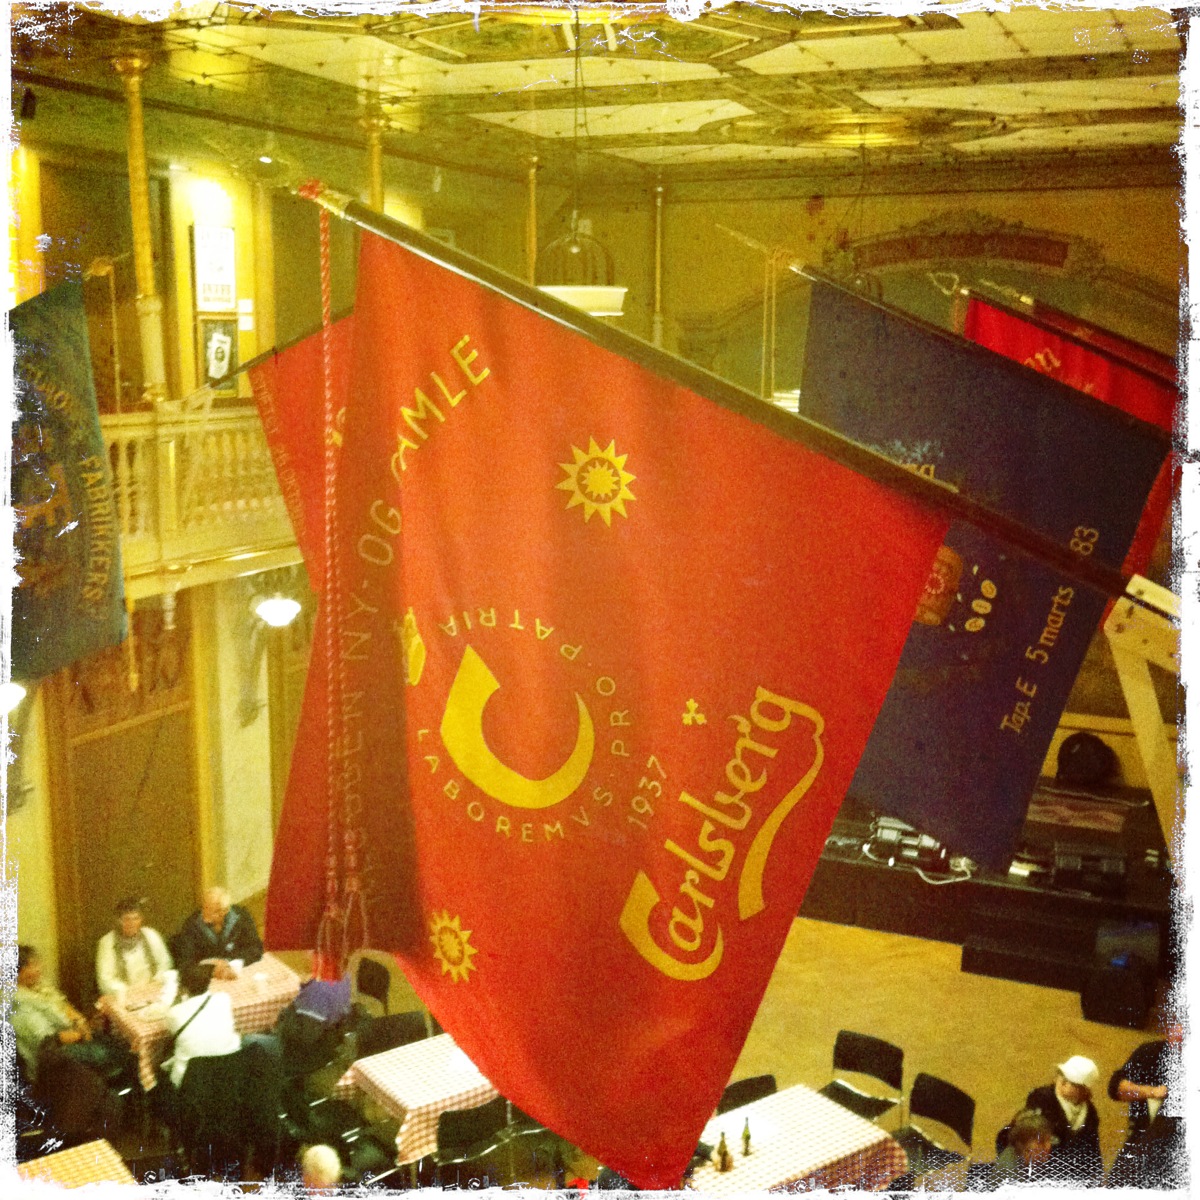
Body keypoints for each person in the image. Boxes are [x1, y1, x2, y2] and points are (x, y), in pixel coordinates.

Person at [11, 945, 128, 1084]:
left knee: (117, 1041)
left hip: (69, 1036)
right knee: (110, 1053)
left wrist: (80, 1021)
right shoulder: (18, 1004)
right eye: (32, 965)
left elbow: (62, 1005)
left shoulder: (37, 986)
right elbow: (48, 1040)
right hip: (52, 1059)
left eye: (37, 963)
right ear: (18, 972)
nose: (39, 969)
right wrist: (82, 1034)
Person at [1107, 1019, 1184, 1188]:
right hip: (1140, 1140)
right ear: (1170, 1030)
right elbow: (1115, 1088)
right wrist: (1151, 1092)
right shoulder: (1149, 1052)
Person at [1022, 1055, 1103, 1185]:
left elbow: (1092, 1146)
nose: (1063, 1082)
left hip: (1074, 1176)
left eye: (1072, 1082)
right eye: (1061, 1075)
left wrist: (1095, 1173)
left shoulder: (1090, 1113)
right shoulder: (1041, 1099)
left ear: (1085, 1090)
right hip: (1042, 1172)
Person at [162, 962, 241, 1091]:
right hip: (229, 1074)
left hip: (190, 1083)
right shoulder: (224, 999)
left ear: (183, 988)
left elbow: (172, 1020)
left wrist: (177, 996)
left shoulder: (174, 1014)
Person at [173, 885, 263, 980]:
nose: (205, 914)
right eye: (205, 908)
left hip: (240, 973)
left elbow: (256, 949)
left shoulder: (241, 917)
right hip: (208, 980)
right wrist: (209, 966)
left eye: (213, 911)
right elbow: (185, 963)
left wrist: (229, 962)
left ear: (224, 911)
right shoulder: (191, 925)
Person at [96, 895, 174, 998]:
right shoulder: (107, 943)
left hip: (153, 991)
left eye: (135, 918)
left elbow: (165, 963)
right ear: (119, 920)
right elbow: (104, 980)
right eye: (127, 919)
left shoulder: (151, 935)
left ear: (141, 919)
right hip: (124, 996)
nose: (131, 923)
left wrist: (157, 981)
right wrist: (128, 991)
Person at [990, 1108, 1056, 1187]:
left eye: (1049, 1140)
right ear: (1021, 1144)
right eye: (1041, 1142)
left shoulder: (1037, 1162)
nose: (1048, 1147)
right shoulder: (1009, 1169)